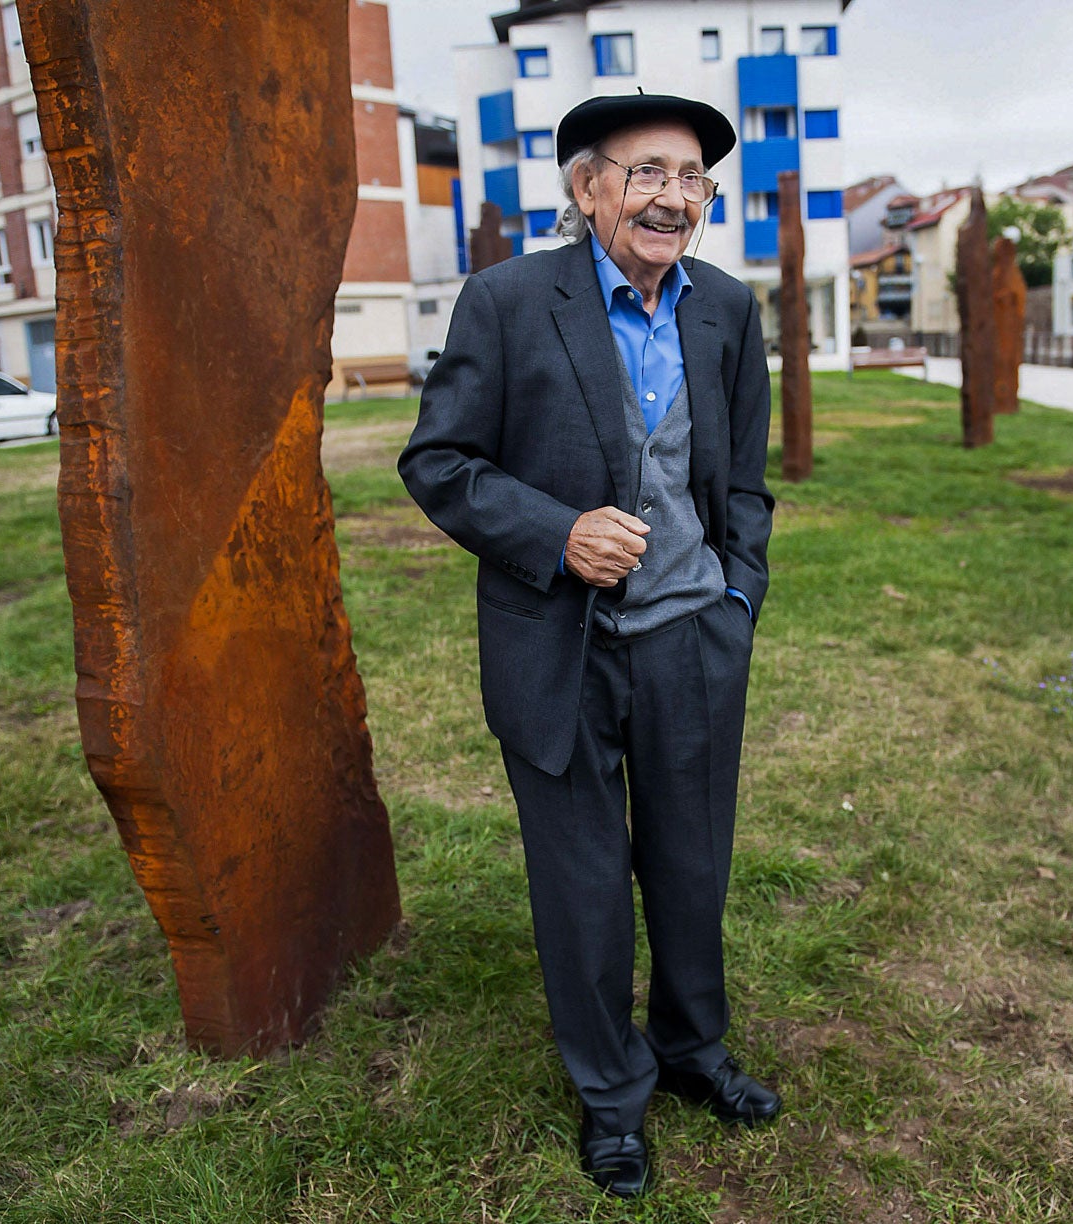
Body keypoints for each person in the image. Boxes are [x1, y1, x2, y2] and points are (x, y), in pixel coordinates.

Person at [397, 91, 776, 1199]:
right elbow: (440, 463)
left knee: (692, 867)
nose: (673, 196)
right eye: (647, 172)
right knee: (583, 887)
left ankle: (693, 1051)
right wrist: (556, 532)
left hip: (692, 640)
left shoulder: (726, 309)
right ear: (588, 188)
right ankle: (613, 1096)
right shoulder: (510, 299)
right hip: (556, 647)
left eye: (693, 177)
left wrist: (737, 600)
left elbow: (743, 481)